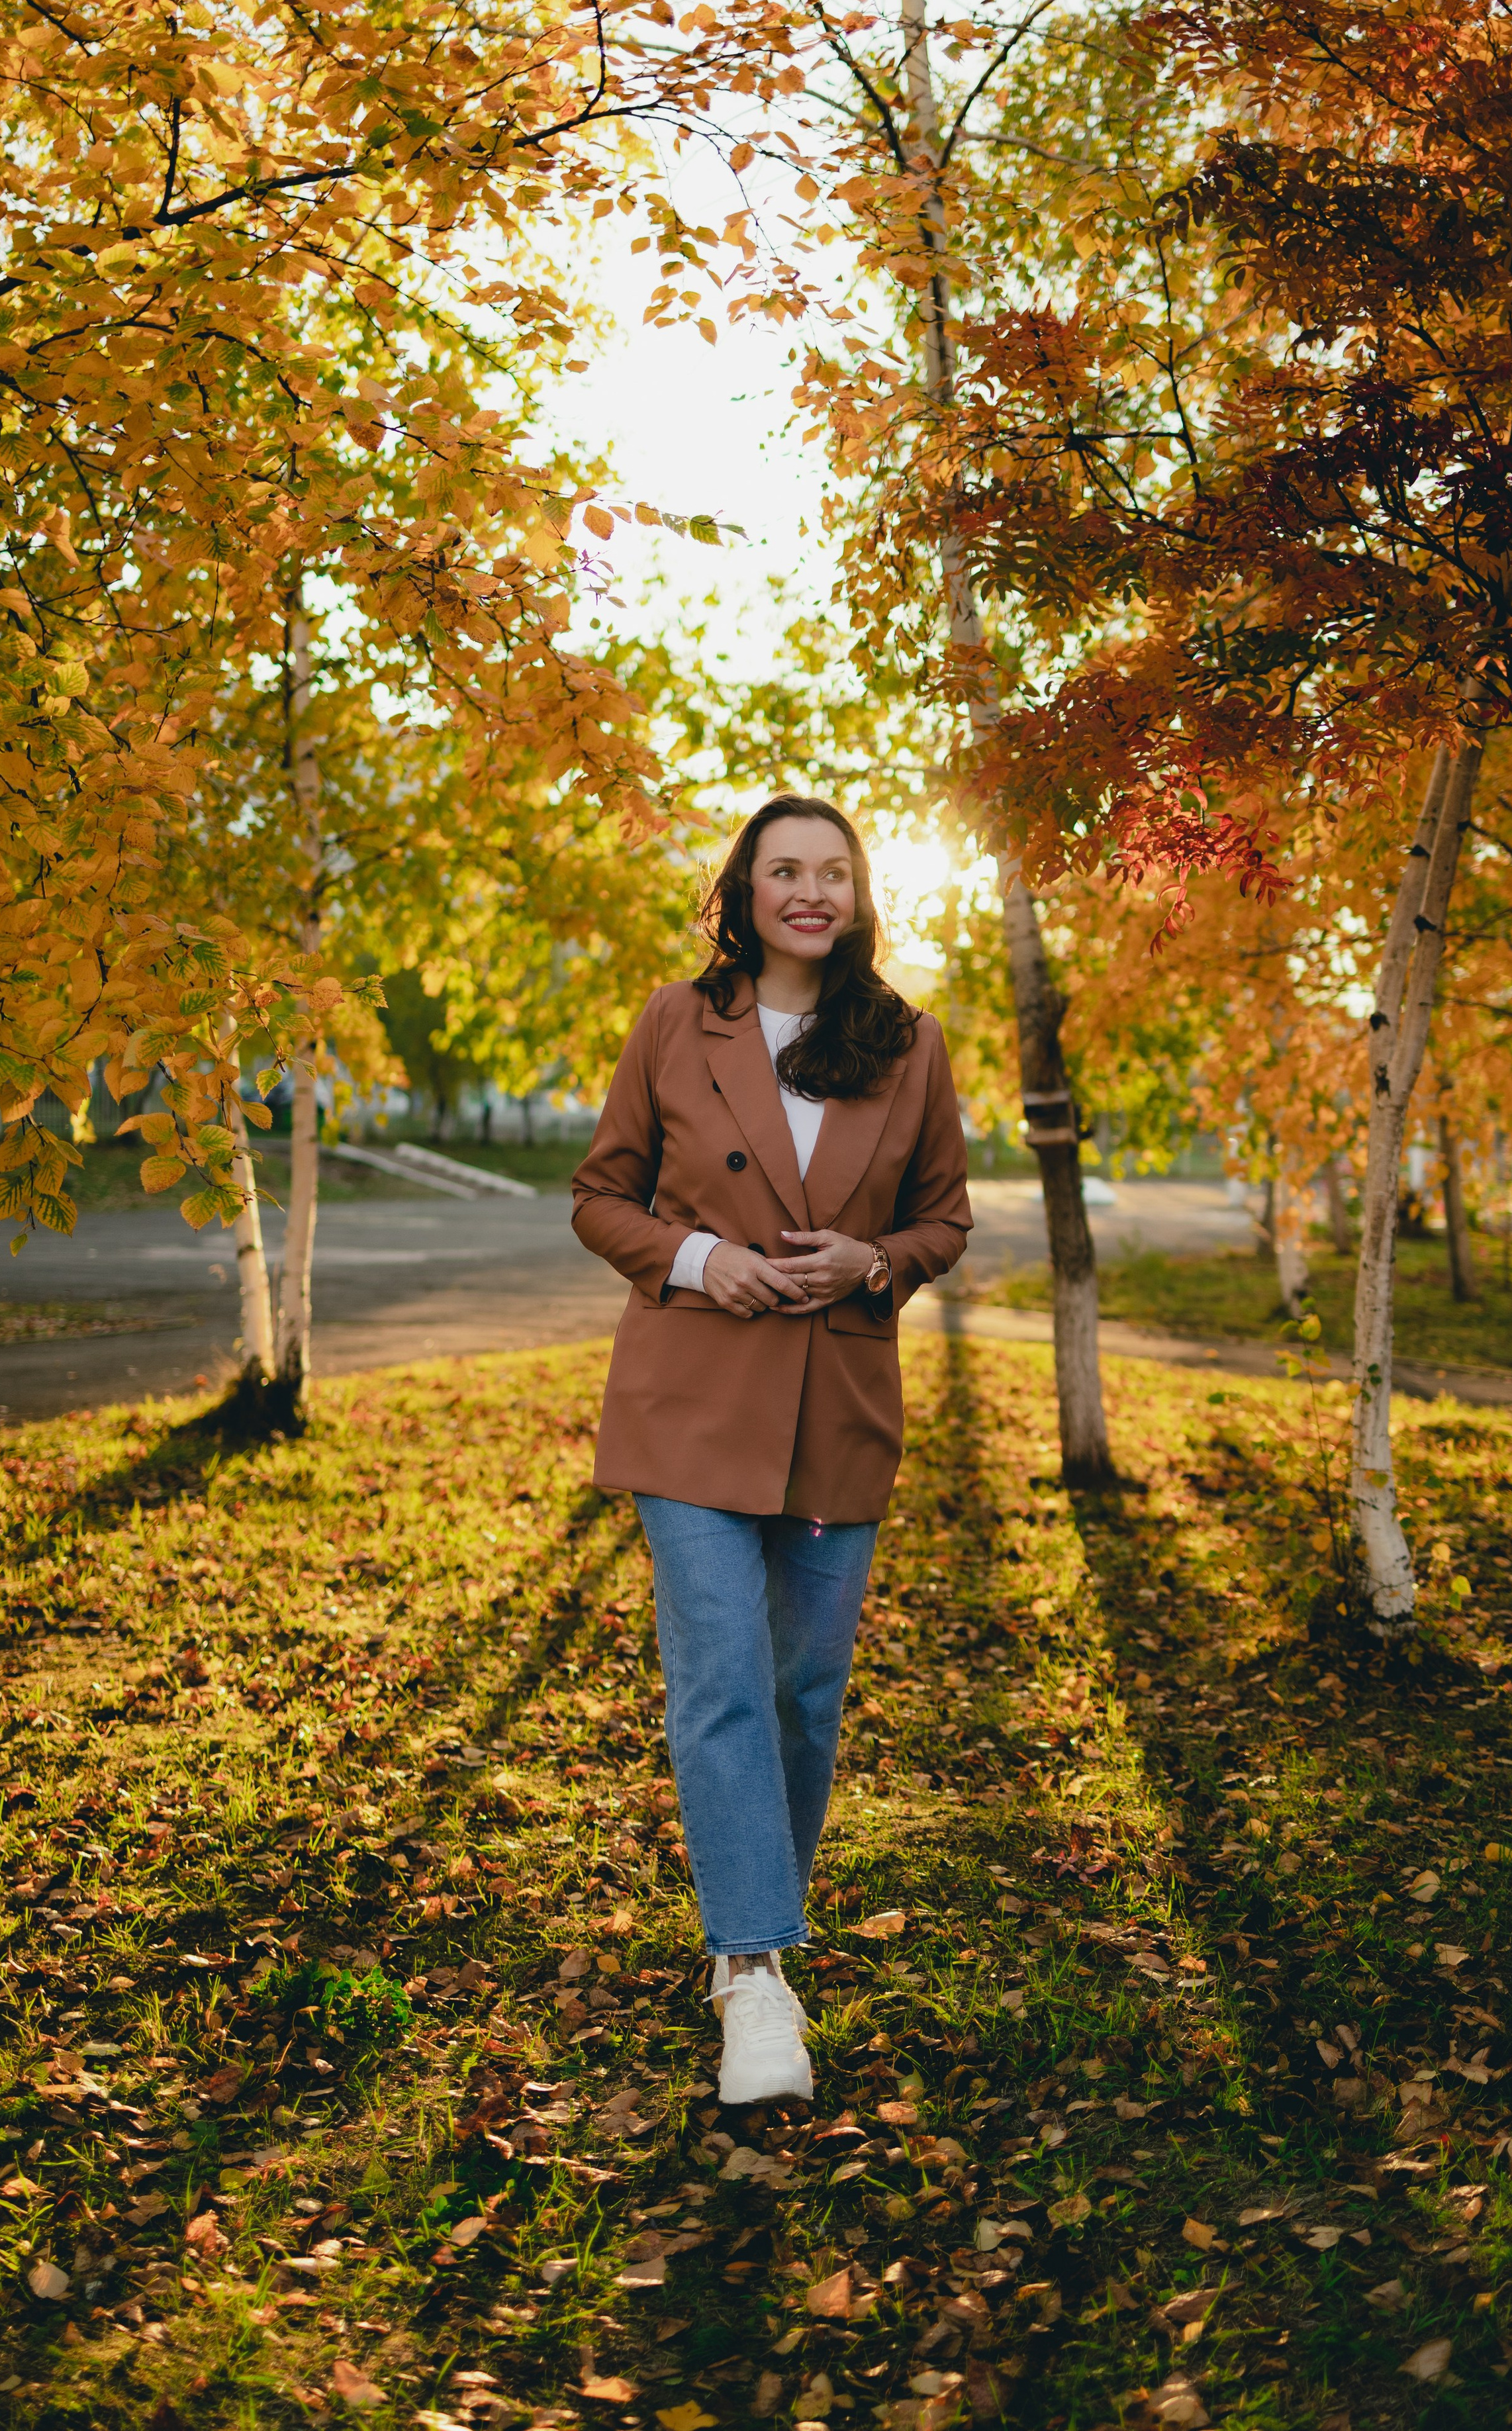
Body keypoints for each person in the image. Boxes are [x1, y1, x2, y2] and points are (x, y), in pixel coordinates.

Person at [571, 796, 972, 2103]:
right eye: (784, 869)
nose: (809, 891)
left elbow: (943, 1221)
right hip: (690, 1399)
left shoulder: (907, 1042)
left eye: (833, 872)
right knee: (724, 1684)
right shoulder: (674, 1022)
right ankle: (752, 1975)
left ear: (859, 897)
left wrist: (873, 1262)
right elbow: (601, 1197)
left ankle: (753, 1934)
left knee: (804, 1692)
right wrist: (699, 1257)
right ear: (745, 891)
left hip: (837, 1410)